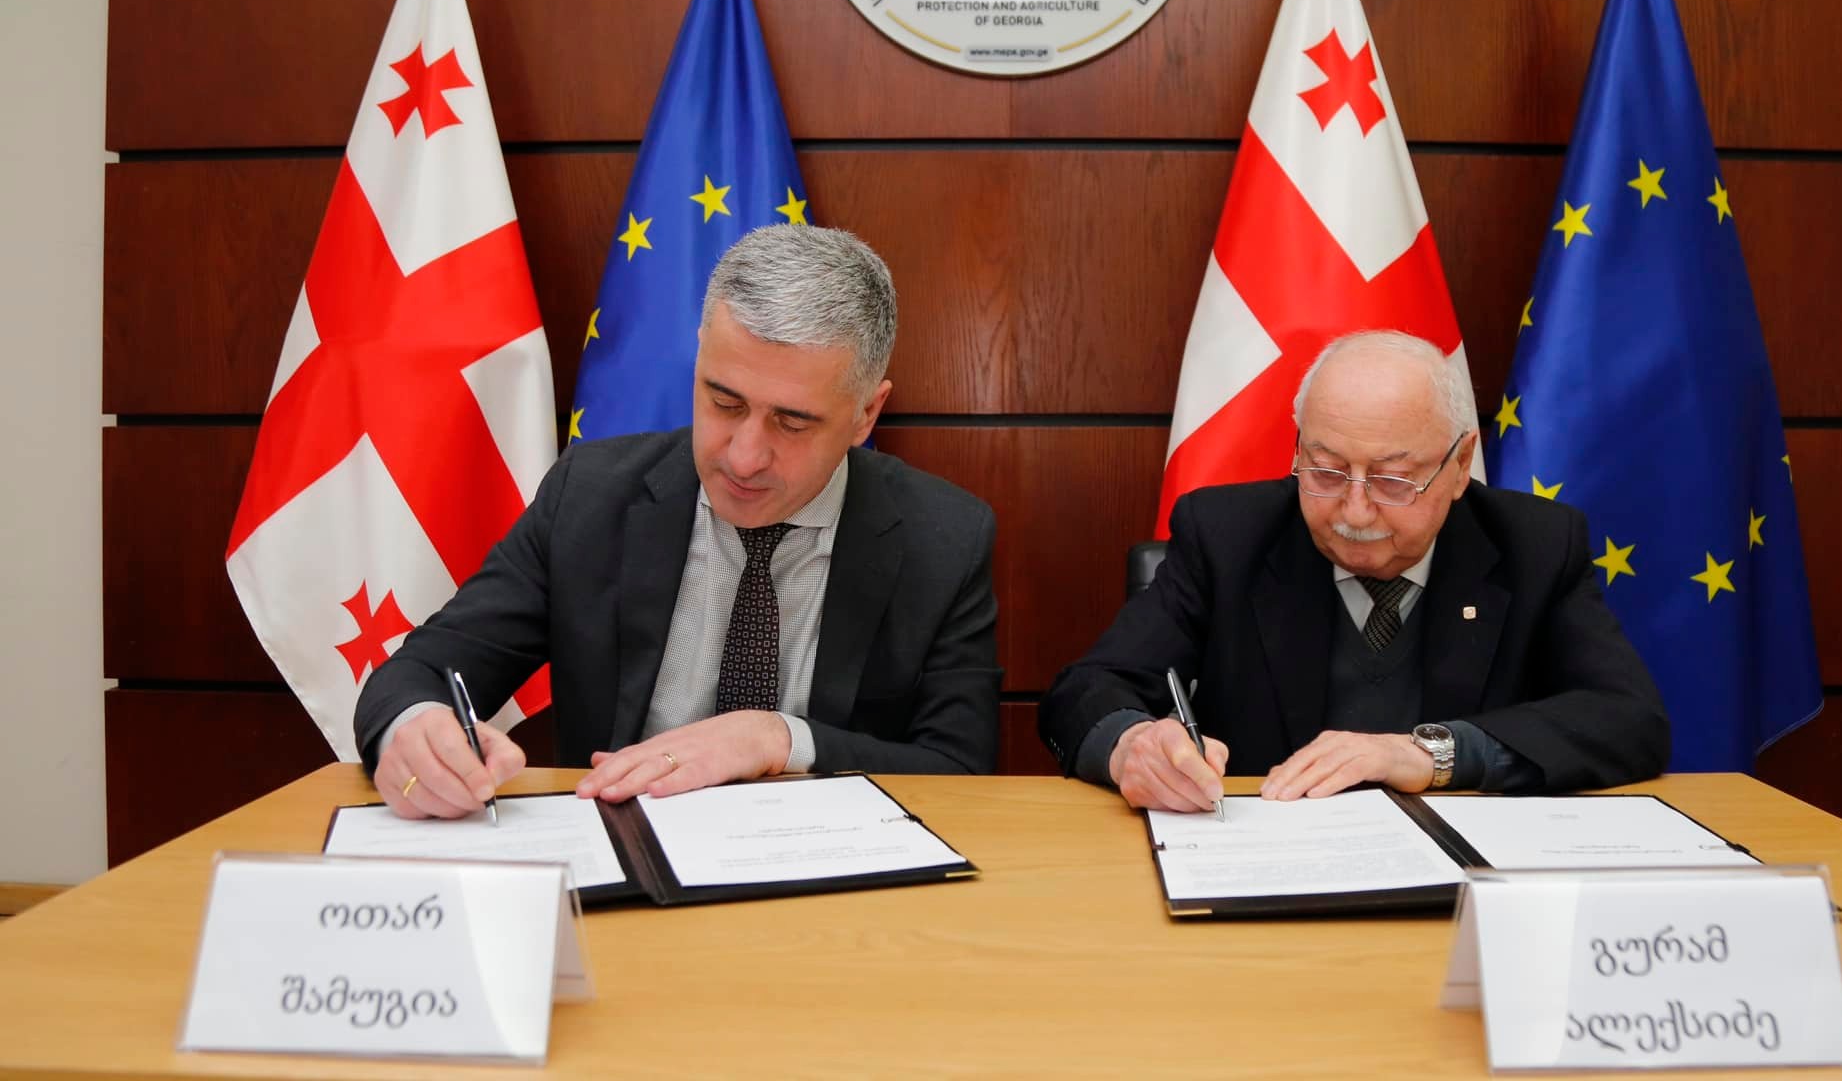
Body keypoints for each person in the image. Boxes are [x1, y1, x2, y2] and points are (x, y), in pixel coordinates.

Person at [357, 225, 1000, 818]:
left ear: (866, 414)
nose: (743, 457)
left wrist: (779, 739)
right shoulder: (591, 496)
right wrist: (415, 731)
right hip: (624, 863)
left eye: (792, 422)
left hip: (841, 883)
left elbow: (962, 770)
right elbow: (416, 676)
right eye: (724, 402)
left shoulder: (944, 538)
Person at [1039, 329, 1669, 812]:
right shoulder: (1227, 535)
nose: (1355, 510)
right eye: (1326, 471)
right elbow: (1088, 689)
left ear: (1458, 467)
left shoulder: (1535, 545)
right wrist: (1131, 746)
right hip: (1264, 867)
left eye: (1394, 480)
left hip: (1462, 882)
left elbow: (1628, 720)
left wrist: (1431, 753)